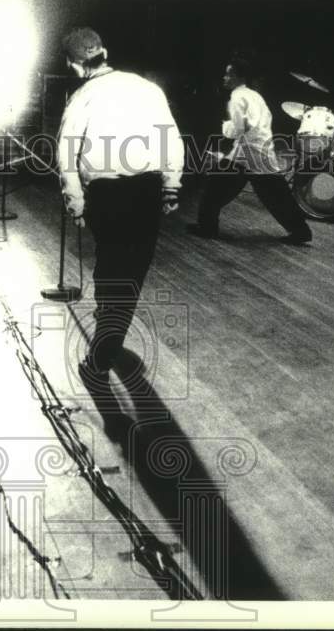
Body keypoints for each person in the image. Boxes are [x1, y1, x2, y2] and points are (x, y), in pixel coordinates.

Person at [56, 27, 184, 398]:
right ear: (105, 53)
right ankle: (111, 323)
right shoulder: (148, 89)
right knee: (132, 272)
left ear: (74, 65)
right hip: (147, 191)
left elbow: (66, 154)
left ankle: (101, 356)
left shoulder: (82, 97)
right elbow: (171, 139)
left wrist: (75, 201)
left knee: (111, 271)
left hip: (107, 195)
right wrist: (171, 186)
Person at [186, 57, 311, 244]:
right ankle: (301, 231)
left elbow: (238, 129)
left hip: (247, 151)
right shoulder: (255, 96)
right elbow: (266, 119)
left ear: (239, 77)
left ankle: (207, 227)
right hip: (261, 149)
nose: (225, 78)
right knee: (276, 194)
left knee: (215, 188)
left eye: (229, 74)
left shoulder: (237, 97)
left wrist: (225, 127)